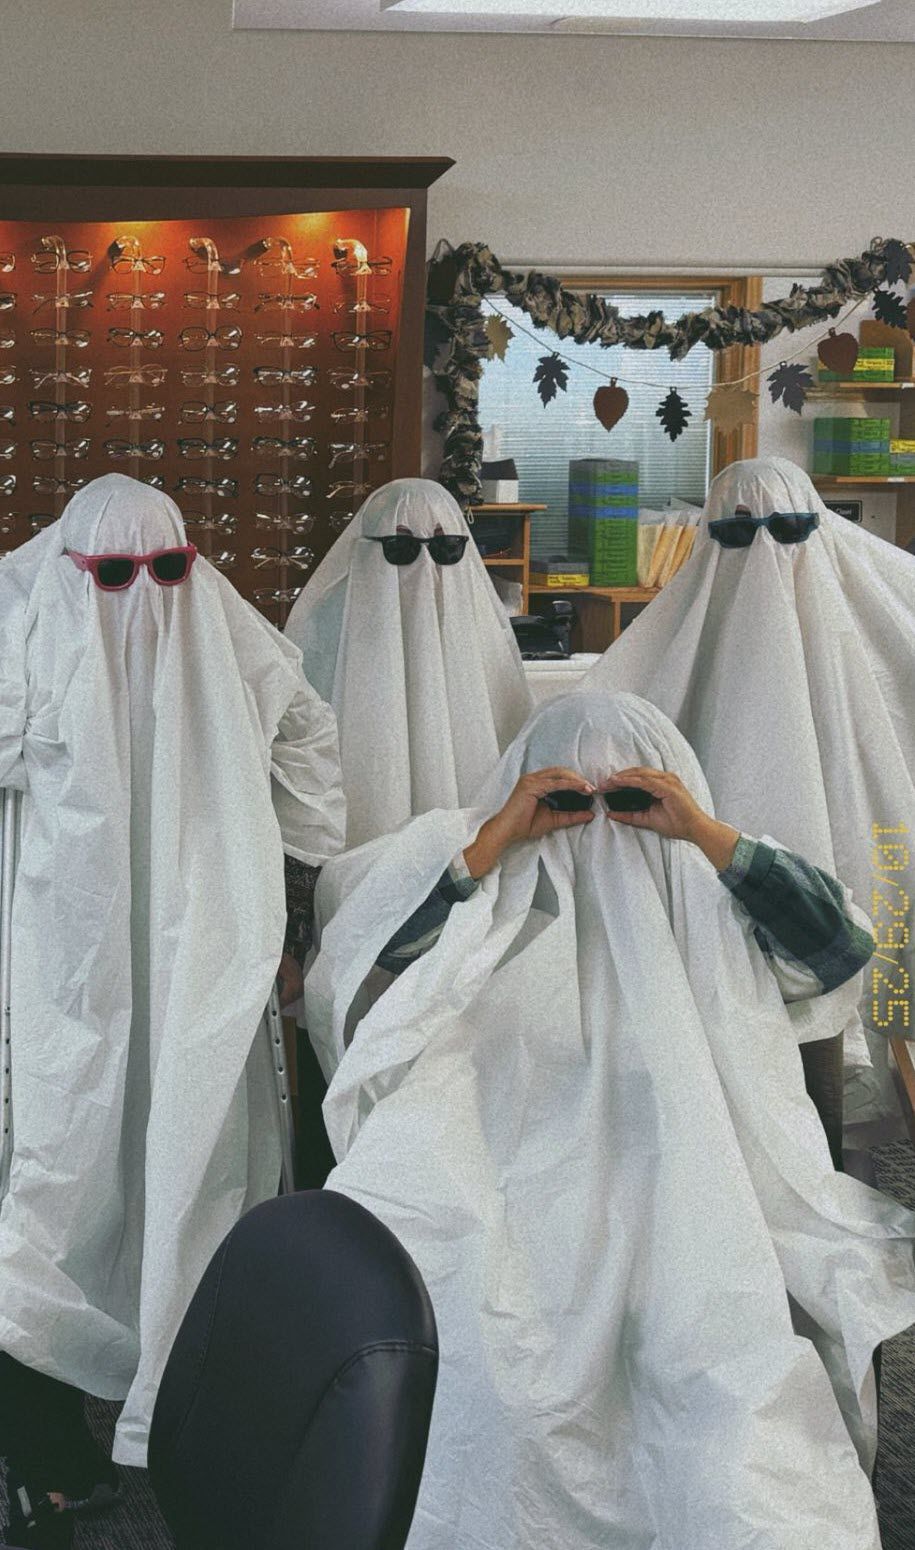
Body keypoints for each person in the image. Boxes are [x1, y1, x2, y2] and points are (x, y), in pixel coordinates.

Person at [303, 691, 915, 1550]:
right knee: (495, 1336)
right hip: (512, 1155)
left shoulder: (729, 877)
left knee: (707, 1367)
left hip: (695, 1163)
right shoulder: (485, 872)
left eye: (623, 803)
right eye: (572, 802)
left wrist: (698, 832)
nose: (600, 828)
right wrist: (500, 837)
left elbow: (841, 951)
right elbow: (371, 945)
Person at [0, 475, 346, 1546]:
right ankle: (48, 1451)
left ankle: (193, 1422)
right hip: (71, 979)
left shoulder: (226, 635)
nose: (141, 596)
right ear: (70, 573)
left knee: (200, 1175)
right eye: (112, 576)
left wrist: (295, 892)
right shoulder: (30, 637)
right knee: (58, 1188)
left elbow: (309, 744)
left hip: (206, 962)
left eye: (165, 571)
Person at [581, 456, 915, 1159]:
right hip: (711, 910)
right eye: (737, 533)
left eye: (787, 529)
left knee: (852, 1052)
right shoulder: (671, 649)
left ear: (818, 529)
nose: (763, 550)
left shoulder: (879, 631)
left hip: (865, 879)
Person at [284, 477, 533, 847]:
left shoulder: (486, 640)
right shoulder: (319, 633)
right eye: (400, 548)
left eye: (444, 547)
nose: (424, 565)